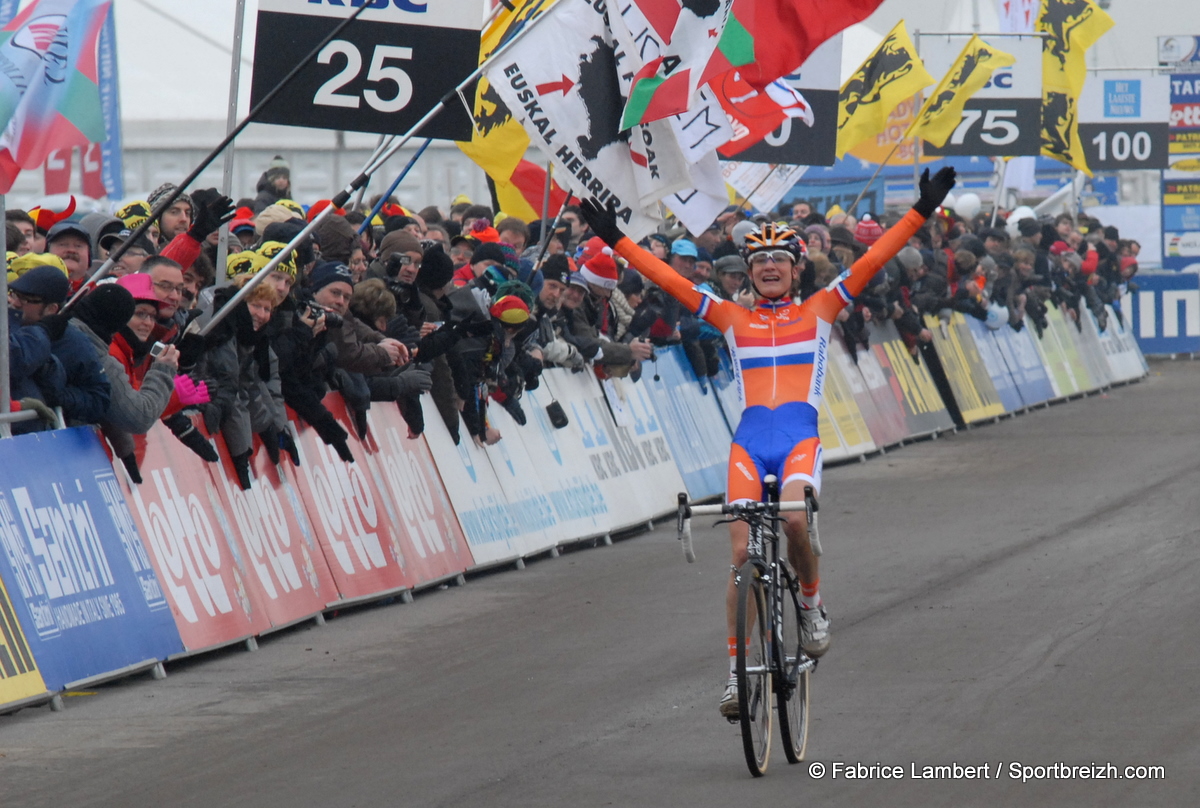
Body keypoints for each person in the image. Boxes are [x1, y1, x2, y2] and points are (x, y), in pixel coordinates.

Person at [580, 166, 958, 720]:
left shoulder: (821, 309)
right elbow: (670, 281)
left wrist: (922, 210)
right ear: (749, 274)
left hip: (799, 440)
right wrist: (616, 240)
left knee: (797, 522)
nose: (770, 267)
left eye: (780, 259)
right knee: (739, 557)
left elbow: (873, 261)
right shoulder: (731, 316)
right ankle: (736, 676)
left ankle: (810, 606)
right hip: (749, 445)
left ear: (796, 267)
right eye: (760, 262)